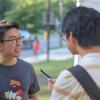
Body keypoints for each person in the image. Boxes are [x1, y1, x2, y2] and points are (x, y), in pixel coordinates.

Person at [49, 6, 100, 100]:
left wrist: (63, 86)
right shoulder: (70, 80)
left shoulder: (68, 79)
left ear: (71, 37)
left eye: (63, 37)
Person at [0, 20, 40, 99]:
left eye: (20, 38)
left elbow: (34, 97)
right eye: (13, 40)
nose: (19, 43)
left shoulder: (28, 68)